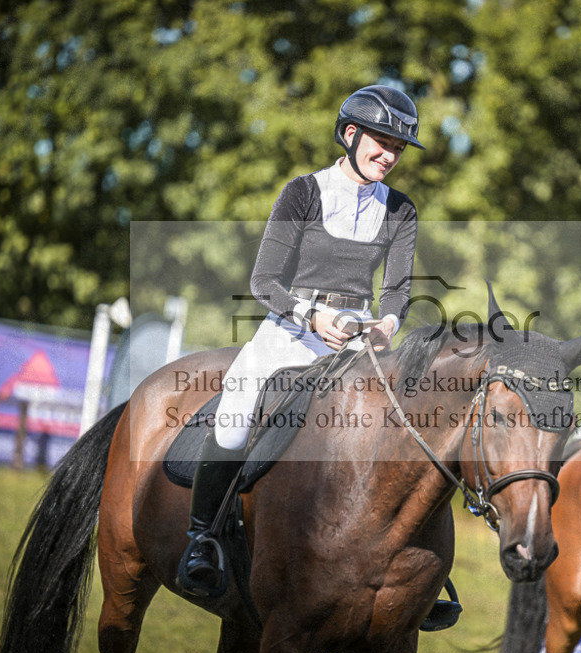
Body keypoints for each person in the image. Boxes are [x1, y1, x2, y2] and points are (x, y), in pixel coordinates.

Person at [177, 85, 423, 597]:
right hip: (291, 327)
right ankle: (201, 539)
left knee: (401, 420)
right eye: (382, 142)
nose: (390, 156)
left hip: (358, 337)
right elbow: (264, 281)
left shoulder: (401, 210)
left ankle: (412, 563)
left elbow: (397, 290)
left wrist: (387, 325)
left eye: (398, 148)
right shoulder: (303, 192)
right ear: (350, 134)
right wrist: (311, 317)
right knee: (237, 408)